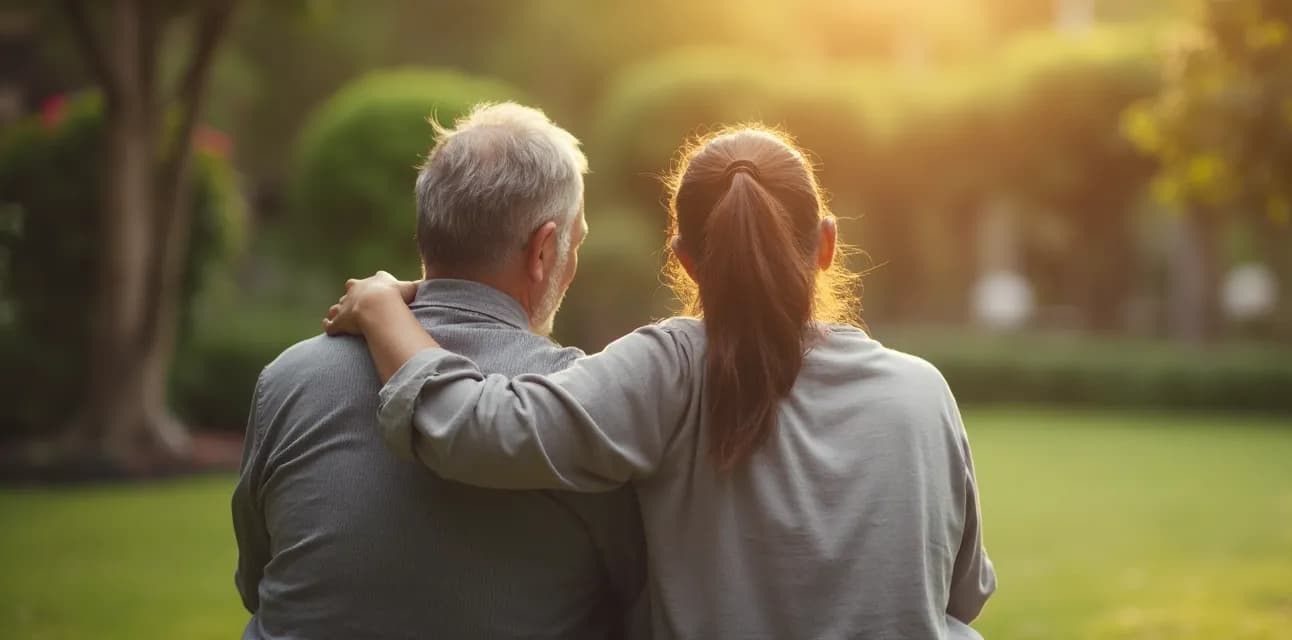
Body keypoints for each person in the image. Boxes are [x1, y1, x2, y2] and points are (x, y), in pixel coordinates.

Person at [326, 126, 996, 639]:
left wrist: (385, 307)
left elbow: (472, 430)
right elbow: (962, 596)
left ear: (685, 262)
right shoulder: (921, 392)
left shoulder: (669, 371)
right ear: (825, 244)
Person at [233, 102, 646, 640]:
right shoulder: (576, 404)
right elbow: (639, 601)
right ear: (544, 251)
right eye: (577, 242)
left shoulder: (289, 378)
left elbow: (255, 581)